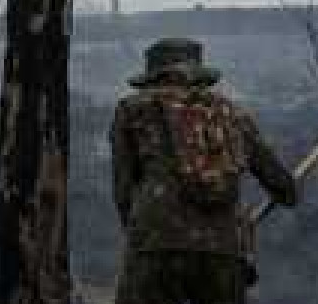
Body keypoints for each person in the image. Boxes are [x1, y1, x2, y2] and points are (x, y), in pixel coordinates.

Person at [111, 37, 298, 304]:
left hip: (156, 243)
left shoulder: (132, 109)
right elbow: (283, 186)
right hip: (225, 250)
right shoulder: (232, 113)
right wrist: (287, 193)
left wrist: (137, 232)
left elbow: (123, 187)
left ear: (153, 76)